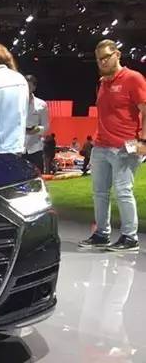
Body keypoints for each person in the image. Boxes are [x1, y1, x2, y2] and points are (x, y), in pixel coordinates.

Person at [79, 39, 146, 252]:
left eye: (106, 57)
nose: (102, 62)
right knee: (99, 192)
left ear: (117, 54)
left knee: (123, 191)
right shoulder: (102, 82)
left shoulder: (133, 78)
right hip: (101, 146)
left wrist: (143, 141)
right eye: (99, 59)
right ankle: (101, 234)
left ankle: (130, 237)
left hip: (125, 146)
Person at [23, 75, 49, 173]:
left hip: (35, 149)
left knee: (37, 177)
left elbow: (46, 127)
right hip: (18, 149)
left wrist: (36, 130)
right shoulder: (15, 104)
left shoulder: (41, 104)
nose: (26, 89)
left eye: (29, 86)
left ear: (34, 87)